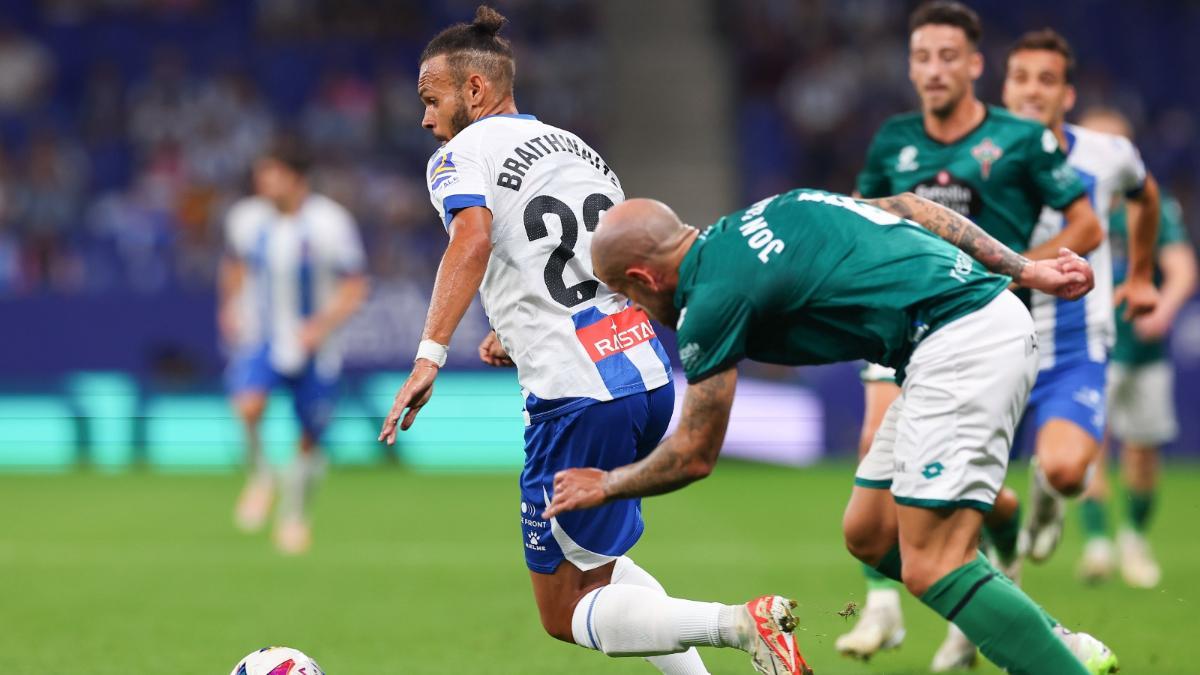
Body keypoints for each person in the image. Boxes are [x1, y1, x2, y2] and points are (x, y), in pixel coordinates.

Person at [377, 8, 808, 675]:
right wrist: (515, 328)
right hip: (643, 374)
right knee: (599, 566)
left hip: (576, 395)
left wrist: (429, 353)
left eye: (431, 101)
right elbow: (597, 267)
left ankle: (739, 623)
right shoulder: (576, 150)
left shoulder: (459, 156)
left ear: (475, 91)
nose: (427, 119)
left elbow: (473, 236)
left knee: (563, 610)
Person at [545, 188, 1120, 675]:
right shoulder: (771, 210)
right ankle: (1055, 642)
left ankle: (1053, 658)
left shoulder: (711, 301)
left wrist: (608, 484)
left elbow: (695, 453)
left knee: (934, 564)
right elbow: (909, 206)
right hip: (944, 342)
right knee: (870, 532)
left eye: (630, 294)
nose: (638, 310)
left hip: (961, 345)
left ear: (645, 275)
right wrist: (1026, 268)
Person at [840, 3, 1106, 666]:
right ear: (910, 65)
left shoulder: (1021, 139)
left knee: (934, 494)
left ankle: (1014, 583)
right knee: (872, 494)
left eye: (948, 57)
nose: (934, 70)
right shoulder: (891, 140)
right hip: (903, 326)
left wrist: (1022, 271)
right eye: (922, 57)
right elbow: (862, 219)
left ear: (975, 65)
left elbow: (1088, 225)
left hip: (979, 332)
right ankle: (898, 603)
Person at [1003, 29, 1162, 572]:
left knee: (1069, 470)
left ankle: (1048, 498)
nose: (1031, 91)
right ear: (1003, 88)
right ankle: (977, 625)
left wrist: (1141, 275)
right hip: (991, 343)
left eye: (1046, 80)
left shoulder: (1106, 153)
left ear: (1067, 95)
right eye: (1020, 78)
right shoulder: (975, 156)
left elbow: (1147, 194)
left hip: (1074, 343)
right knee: (974, 500)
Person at [219, 137, 369, 554]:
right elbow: (234, 264)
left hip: (315, 345)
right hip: (262, 336)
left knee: (309, 437)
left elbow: (355, 284)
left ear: (296, 177)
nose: (262, 182)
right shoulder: (246, 218)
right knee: (247, 406)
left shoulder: (330, 222)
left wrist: (320, 326)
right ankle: (262, 476)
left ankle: (294, 515)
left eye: (271, 173)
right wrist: (229, 306)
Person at [1074, 106, 1198, 588]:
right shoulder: (1068, 203)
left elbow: (1182, 266)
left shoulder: (1153, 203)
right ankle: (1098, 544)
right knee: (1091, 443)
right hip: (1090, 344)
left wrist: (1164, 309)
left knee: (1142, 451)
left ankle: (1134, 539)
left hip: (1143, 347)